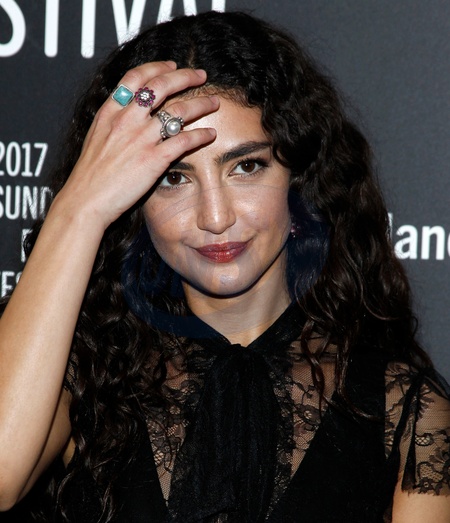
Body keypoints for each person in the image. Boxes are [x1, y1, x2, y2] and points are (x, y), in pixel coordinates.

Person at [0, 10, 449, 523]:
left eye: (247, 166)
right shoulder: (87, 377)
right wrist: (79, 209)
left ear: (301, 179)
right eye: (173, 178)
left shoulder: (405, 411)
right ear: (129, 198)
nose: (215, 218)